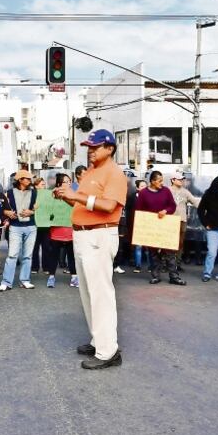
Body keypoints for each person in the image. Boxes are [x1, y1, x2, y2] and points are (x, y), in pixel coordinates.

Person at [55, 129, 127, 371]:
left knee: (100, 294)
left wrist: (76, 197)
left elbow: (108, 206)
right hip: (83, 233)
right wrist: (66, 196)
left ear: (110, 148)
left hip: (99, 233)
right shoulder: (92, 172)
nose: (91, 150)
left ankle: (108, 351)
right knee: (88, 293)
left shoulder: (114, 173)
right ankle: (99, 341)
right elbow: (82, 201)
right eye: (89, 146)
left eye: (95, 147)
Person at [135, 170, 183, 286]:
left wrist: (166, 211)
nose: (162, 183)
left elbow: (172, 205)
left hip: (165, 225)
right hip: (151, 227)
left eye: (162, 181)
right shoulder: (143, 193)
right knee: (154, 253)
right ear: (152, 181)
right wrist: (141, 228)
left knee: (170, 252)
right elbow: (139, 210)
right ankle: (156, 276)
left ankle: (174, 276)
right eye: (159, 181)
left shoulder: (166, 191)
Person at [0, 170, 38, 291]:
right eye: (27, 178)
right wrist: (7, 212)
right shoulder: (9, 193)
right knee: (12, 255)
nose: (30, 181)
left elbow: (39, 208)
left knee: (28, 255)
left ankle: (25, 280)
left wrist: (32, 212)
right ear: (20, 180)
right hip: (15, 227)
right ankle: (6, 282)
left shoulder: (35, 192)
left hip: (31, 226)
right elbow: (2, 209)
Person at [44, 173, 78, 288]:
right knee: (54, 255)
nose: (69, 183)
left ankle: (74, 277)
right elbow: (46, 209)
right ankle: (51, 277)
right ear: (59, 184)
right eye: (66, 181)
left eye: (70, 181)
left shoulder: (74, 194)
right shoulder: (52, 195)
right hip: (56, 231)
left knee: (72, 255)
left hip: (71, 230)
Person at [168, 171, 200, 268]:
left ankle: (177, 263)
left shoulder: (185, 191)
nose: (182, 181)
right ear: (173, 180)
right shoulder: (167, 190)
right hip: (169, 220)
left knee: (180, 243)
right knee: (169, 242)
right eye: (179, 179)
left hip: (182, 220)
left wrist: (207, 208)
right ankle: (167, 263)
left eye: (182, 179)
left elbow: (195, 202)